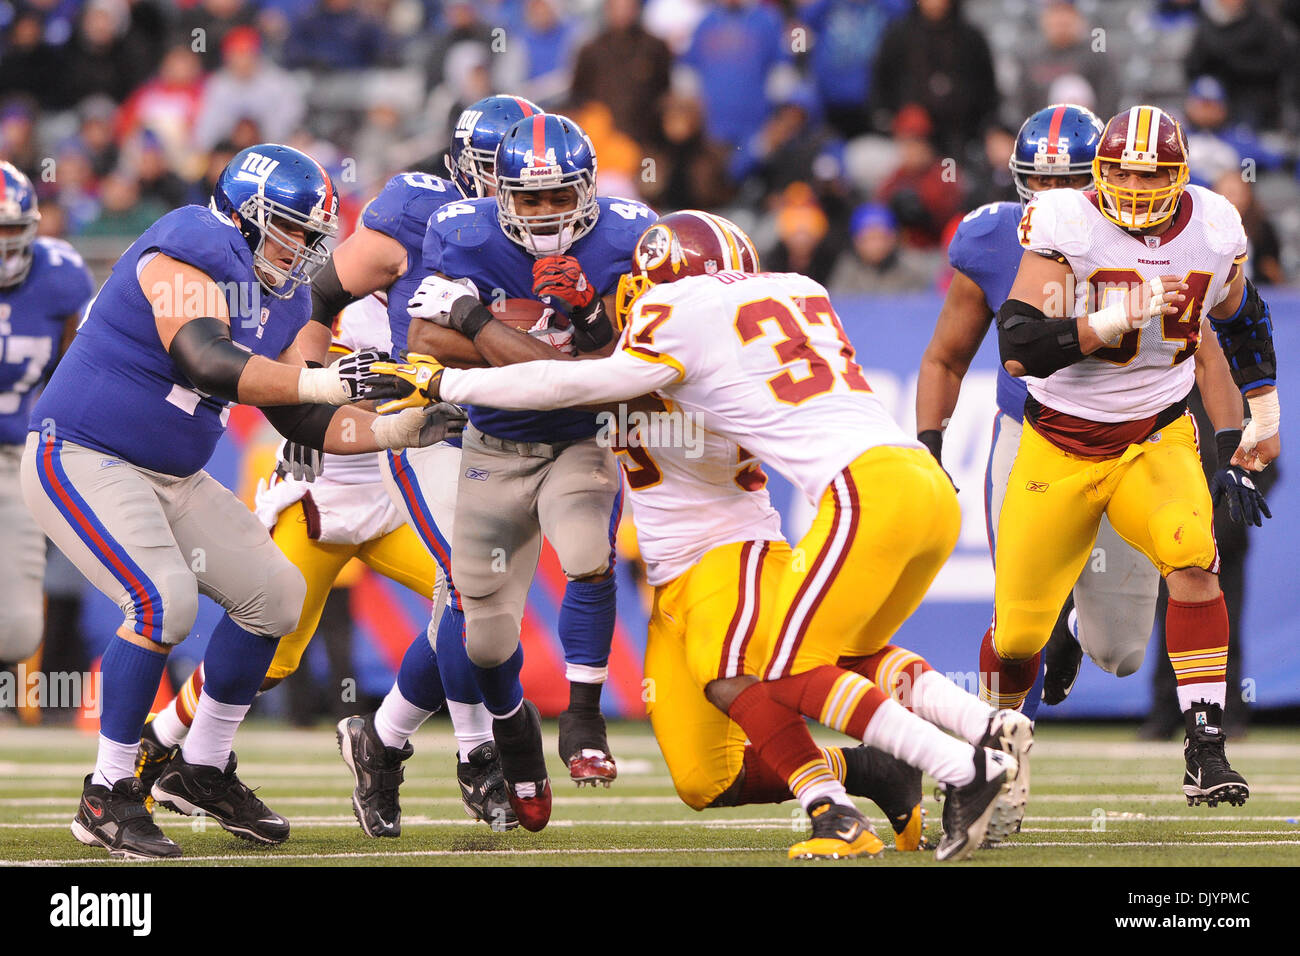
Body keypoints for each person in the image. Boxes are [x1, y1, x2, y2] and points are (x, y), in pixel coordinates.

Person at [375, 211, 1031, 862]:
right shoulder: (775, 305)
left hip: (733, 550)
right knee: (706, 775)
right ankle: (891, 765)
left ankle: (897, 787)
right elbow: (599, 370)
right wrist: (588, 319)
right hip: (683, 572)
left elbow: (565, 384)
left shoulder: (674, 331)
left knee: (776, 670)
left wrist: (452, 359)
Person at [21, 143, 462, 860]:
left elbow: (304, 418)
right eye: (289, 228)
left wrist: (393, 430)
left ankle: (201, 765)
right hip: (81, 453)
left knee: (276, 597)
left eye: (309, 233)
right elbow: (204, 356)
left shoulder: (280, 294)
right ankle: (107, 793)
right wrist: (325, 381)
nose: (302, 248)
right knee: (163, 602)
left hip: (175, 476)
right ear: (247, 216)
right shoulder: (192, 241)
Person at [976, 105, 1278, 808]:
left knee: (1192, 550)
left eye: (1153, 175)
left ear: (1180, 176)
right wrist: (1115, 316)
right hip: (1061, 442)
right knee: (1020, 633)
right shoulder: (1067, 224)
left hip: (1155, 434)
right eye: (1123, 173)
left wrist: (1256, 426)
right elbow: (1020, 345)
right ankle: (993, 758)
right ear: (1099, 173)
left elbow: (1245, 320)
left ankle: (1205, 749)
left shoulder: (1212, 227)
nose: (1138, 188)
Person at [397, 112, 656, 831]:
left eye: (559, 196)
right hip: (492, 444)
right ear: (500, 191)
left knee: (587, 555)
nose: (546, 212)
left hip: (579, 441)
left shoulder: (628, 235)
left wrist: (563, 320)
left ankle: (584, 724)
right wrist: (532, 343)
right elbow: (426, 339)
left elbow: (619, 369)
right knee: (482, 636)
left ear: (589, 188)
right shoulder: (460, 229)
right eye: (531, 198)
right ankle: (516, 739)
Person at [304, 95, 543, 837]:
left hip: (507, 435)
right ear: (466, 171)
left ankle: (384, 740)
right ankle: (480, 751)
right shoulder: (417, 212)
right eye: (503, 174)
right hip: (431, 431)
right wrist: (305, 402)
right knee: (475, 602)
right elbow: (320, 291)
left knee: (470, 606)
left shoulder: (561, 229)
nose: (520, 191)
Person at [917, 103, 1154, 724]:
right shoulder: (995, 238)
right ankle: (992, 762)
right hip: (1028, 438)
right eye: (1040, 180)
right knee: (1018, 621)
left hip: (1126, 441)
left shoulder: (1150, 232)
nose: (1052, 195)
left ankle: (1075, 627)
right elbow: (945, 359)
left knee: (1123, 652)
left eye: (1069, 181)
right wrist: (929, 443)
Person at [0, 162, 96, 671]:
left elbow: (76, 366)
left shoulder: (60, 275)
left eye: (10, 229)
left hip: (14, 455)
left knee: (16, 633)